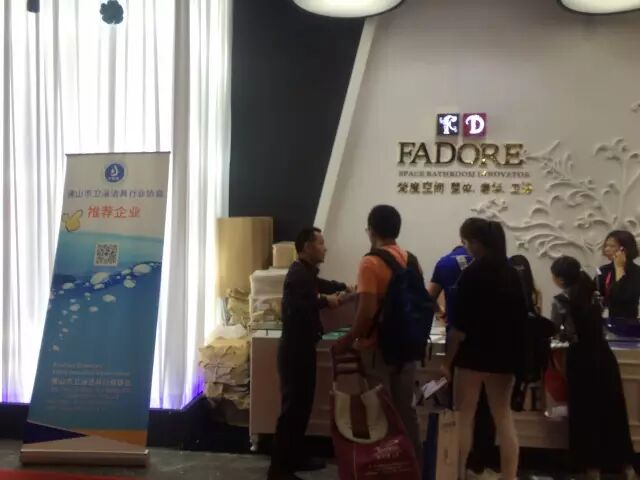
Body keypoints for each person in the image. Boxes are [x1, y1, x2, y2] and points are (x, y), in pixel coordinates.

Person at [333, 205, 423, 462]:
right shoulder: (411, 260)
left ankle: (385, 467)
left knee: (381, 410)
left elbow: (367, 312)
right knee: (406, 409)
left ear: (371, 231)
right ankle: (412, 466)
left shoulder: (370, 263)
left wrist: (347, 340)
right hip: (408, 346)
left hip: (377, 348)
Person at [444, 218, 526, 480]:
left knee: (464, 418)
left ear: (477, 243)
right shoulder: (512, 274)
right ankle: (510, 476)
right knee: (504, 419)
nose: (466, 248)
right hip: (505, 357)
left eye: (467, 242)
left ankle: (458, 473)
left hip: (472, 355)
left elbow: (459, 328)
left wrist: (447, 361)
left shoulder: (471, 274)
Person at [268, 227, 350, 480]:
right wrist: (326, 301)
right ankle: (279, 471)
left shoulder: (306, 273)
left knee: (303, 408)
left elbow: (320, 286)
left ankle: (295, 458)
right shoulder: (297, 275)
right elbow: (299, 307)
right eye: (320, 243)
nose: (325, 248)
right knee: (292, 411)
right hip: (295, 353)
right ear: (306, 247)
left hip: (303, 349)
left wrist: (344, 287)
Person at [551, 256, 637, 480]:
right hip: (604, 357)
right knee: (612, 413)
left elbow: (558, 331)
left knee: (586, 415)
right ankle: (626, 467)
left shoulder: (561, 300)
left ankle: (591, 469)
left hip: (581, 360)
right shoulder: (593, 295)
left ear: (560, 278)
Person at [429, 245, 498, 479]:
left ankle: (457, 466)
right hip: (493, 345)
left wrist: (440, 310)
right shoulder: (499, 264)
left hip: (461, 347)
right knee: (489, 409)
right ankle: (481, 463)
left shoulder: (445, 263)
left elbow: (429, 297)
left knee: (461, 410)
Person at [596, 230, 640, 320]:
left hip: (628, 322)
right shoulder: (604, 270)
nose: (607, 249)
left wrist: (619, 268)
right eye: (606, 245)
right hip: (604, 320)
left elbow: (620, 298)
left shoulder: (636, 272)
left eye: (612, 246)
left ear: (624, 249)